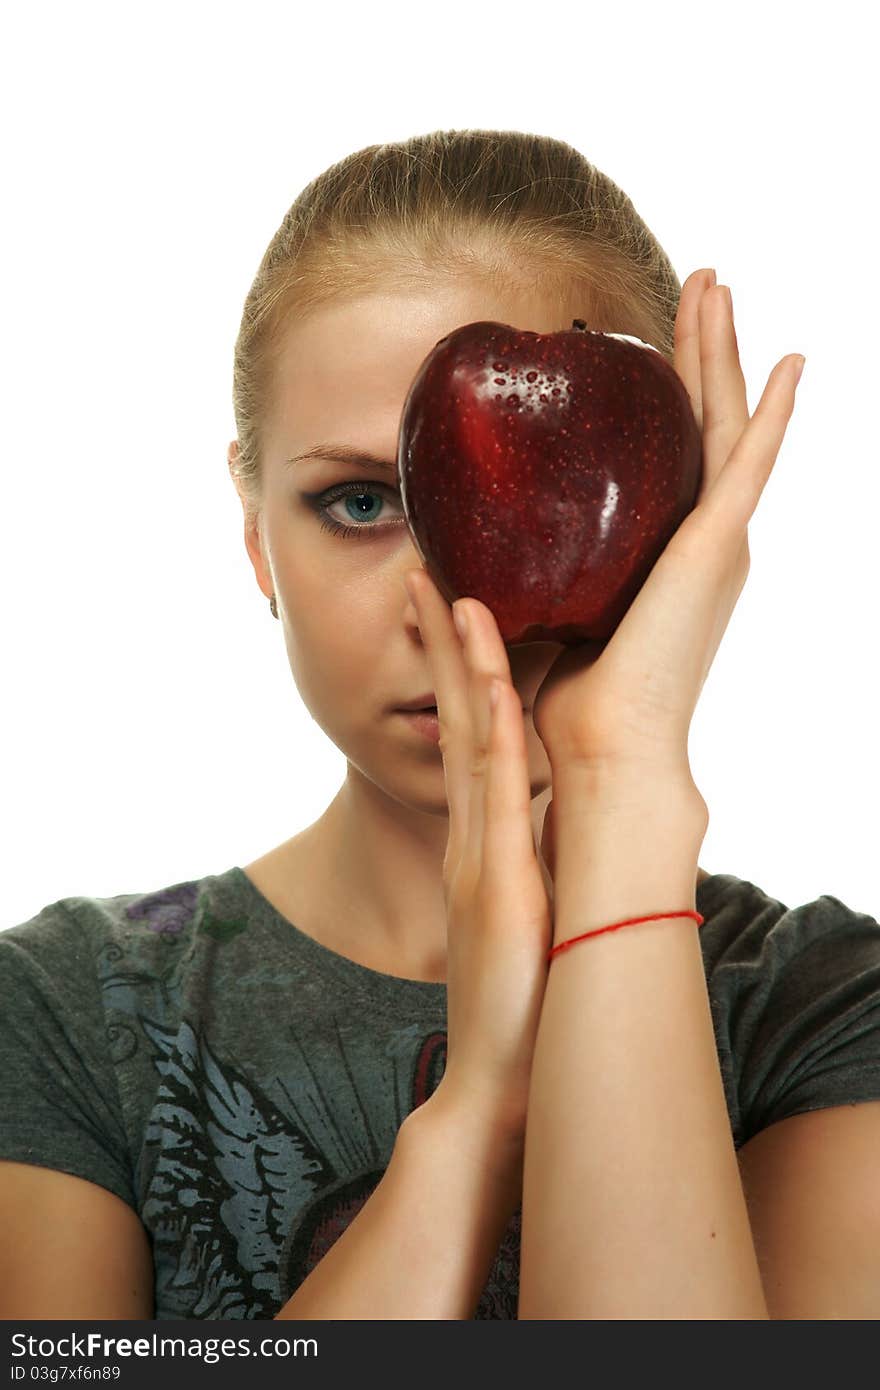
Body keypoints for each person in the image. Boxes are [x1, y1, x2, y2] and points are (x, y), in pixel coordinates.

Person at [1, 128, 879, 1321]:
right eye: (359, 502)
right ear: (258, 534)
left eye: (538, 489)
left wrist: (618, 791)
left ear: (679, 517)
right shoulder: (63, 1012)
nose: (451, 599)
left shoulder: (824, 1007)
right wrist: (479, 1107)